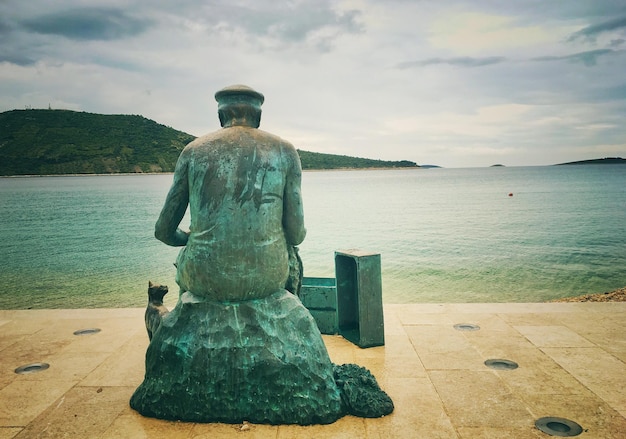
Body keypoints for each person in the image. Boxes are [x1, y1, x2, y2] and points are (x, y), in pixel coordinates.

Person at [154, 84, 306, 301]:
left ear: (220, 116)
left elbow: (163, 231)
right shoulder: (285, 150)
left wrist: (190, 237)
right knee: (293, 256)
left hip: (204, 277)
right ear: (258, 117)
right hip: (266, 279)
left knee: (191, 257)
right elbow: (296, 235)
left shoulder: (192, 151)